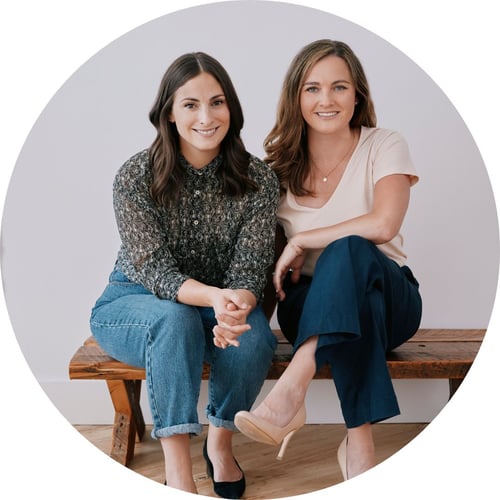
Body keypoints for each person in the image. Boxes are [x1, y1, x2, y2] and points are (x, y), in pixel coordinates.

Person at [89, 51, 280, 497]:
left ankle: (219, 444)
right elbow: (155, 272)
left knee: (252, 334)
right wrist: (217, 298)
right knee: (171, 318)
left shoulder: (259, 179)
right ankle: (177, 473)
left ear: (231, 109)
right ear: (169, 114)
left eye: (217, 102)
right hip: (132, 304)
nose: (206, 116)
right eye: (190, 104)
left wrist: (237, 305)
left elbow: (250, 270)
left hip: (221, 303)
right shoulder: (135, 176)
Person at [235, 39, 422, 482]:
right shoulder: (275, 169)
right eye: (313, 88)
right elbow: (259, 255)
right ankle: (359, 446)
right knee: (359, 304)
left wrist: (306, 240)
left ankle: (292, 387)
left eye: (339, 87)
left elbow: (383, 224)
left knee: (352, 248)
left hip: (392, 295)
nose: (326, 100)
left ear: (357, 95)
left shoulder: (385, 144)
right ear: (296, 98)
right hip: (311, 305)